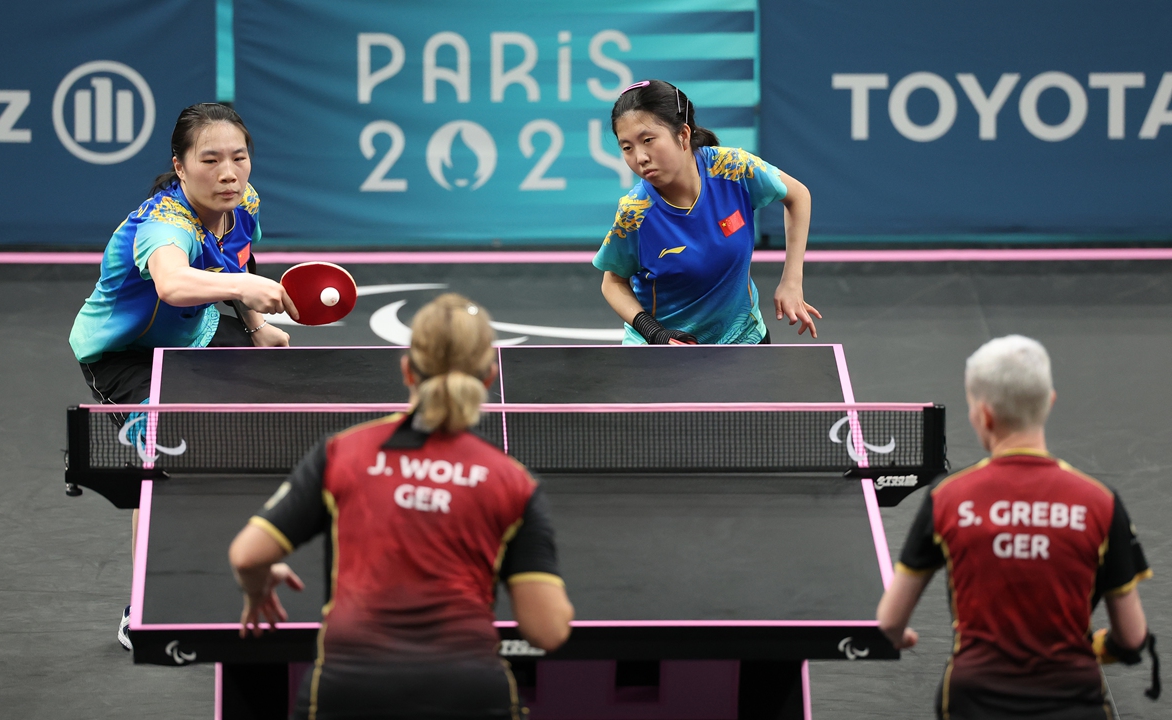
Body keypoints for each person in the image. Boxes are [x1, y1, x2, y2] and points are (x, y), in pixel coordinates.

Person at [228, 293, 575, 720]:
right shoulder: (511, 481)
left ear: (407, 369)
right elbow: (547, 630)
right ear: (489, 377)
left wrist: (258, 584)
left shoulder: (344, 453)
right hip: (468, 691)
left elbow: (247, 555)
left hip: (350, 688)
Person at [68, 102, 298, 650]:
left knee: (257, 420)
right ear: (180, 165)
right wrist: (244, 293)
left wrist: (256, 322)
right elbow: (173, 283)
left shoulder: (243, 202)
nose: (228, 173)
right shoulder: (161, 224)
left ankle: (230, 559)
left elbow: (236, 260)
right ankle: (141, 607)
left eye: (239, 158)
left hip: (191, 333)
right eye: (211, 159)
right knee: (162, 460)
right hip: (124, 355)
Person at [878, 335, 1154, 719]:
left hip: (973, 700)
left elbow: (890, 620)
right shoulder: (1100, 502)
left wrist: (898, 636)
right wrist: (1089, 646)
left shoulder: (949, 497)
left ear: (984, 415)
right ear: (1050, 402)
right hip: (1075, 701)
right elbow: (1133, 637)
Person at [593, 79, 820, 345]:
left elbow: (798, 195)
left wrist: (792, 282)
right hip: (665, 351)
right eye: (627, 147)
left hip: (742, 340)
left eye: (648, 140)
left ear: (683, 135)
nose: (640, 157)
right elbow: (613, 283)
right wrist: (654, 333)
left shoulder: (733, 170)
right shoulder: (636, 213)